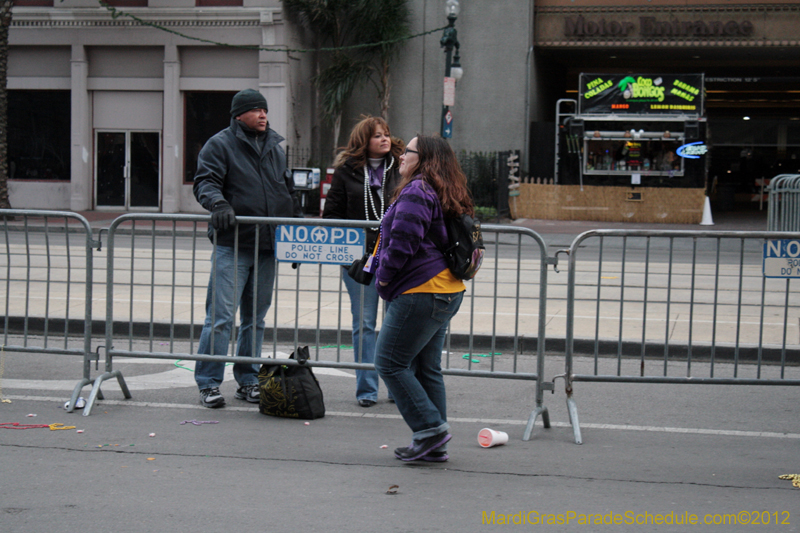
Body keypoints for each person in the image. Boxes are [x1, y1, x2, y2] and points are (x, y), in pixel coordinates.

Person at [193, 88, 302, 408]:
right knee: (221, 317)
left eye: (265, 110)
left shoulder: (275, 148)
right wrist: (218, 203)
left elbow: (287, 192)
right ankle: (209, 383)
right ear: (238, 115)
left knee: (255, 318)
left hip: (268, 246)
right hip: (234, 245)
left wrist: (296, 238)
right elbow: (205, 182)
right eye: (256, 110)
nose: (263, 115)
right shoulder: (220, 144)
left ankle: (248, 379)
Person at [373, 135, 473, 462]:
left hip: (421, 291)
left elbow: (403, 241)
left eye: (408, 152)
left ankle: (431, 429)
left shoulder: (417, 190)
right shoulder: (444, 189)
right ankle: (434, 444)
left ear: (424, 158)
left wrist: (384, 276)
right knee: (426, 367)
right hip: (445, 290)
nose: (400, 156)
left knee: (389, 362)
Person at [322, 116, 404, 407]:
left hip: (397, 255)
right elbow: (330, 215)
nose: (384, 139)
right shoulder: (346, 171)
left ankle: (397, 388)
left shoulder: (402, 166)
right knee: (364, 324)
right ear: (363, 141)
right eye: (377, 135)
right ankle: (367, 389)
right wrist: (353, 235)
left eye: (387, 134)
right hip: (358, 259)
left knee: (396, 323)